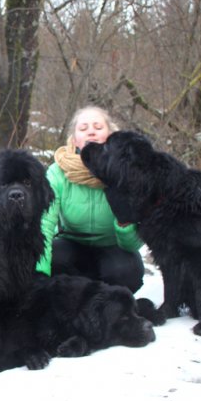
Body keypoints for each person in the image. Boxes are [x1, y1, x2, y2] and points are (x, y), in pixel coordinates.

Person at [36, 106, 144, 292]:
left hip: (114, 247)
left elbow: (134, 242)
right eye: (83, 128)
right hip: (71, 245)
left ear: (110, 134)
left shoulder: (128, 170)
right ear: (75, 139)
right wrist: (40, 275)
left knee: (127, 272)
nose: (91, 131)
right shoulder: (57, 172)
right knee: (54, 260)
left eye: (98, 127)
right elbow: (44, 225)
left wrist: (125, 223)